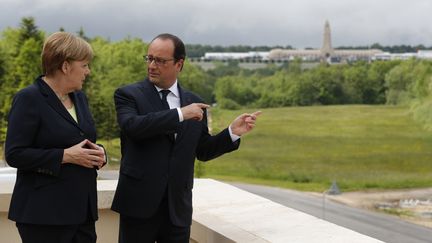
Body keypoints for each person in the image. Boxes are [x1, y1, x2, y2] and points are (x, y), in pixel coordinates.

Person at [111, 33, 261, 243]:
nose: (152, 65)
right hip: (138, 205)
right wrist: (181, 114)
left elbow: (203, 150)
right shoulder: (128, 95)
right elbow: (133, 127)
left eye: (160, 61)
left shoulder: (194, 102)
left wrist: (232, 133)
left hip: (177, 210)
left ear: (179, 64)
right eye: (149, 58)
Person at [5, 32, 107, 243]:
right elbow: (14, 154)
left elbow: (81, 139)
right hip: (44, 215)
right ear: (66, 66)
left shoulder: (79, 97)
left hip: (83, 213)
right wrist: (64, 156)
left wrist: (99, 152)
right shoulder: (29, 98)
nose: (88, 71)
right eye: (85, 65)